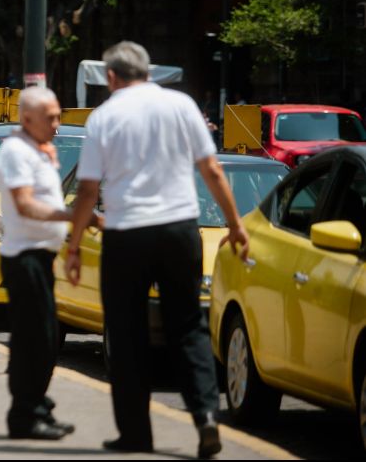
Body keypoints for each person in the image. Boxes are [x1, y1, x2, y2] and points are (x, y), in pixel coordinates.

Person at [64, 41, 249, 458]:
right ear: (148, 72)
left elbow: (89, 189)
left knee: (127, 334)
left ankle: (135, 433)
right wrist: (235, 224)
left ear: (111, 77)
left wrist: (74, 246)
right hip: (179, 229)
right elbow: (212, 168)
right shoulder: (182, 106)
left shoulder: (104, 116)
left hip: (127, 234)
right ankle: (204, 418)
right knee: (188, 327)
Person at [0, 86, 100, 441]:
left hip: (41, 257)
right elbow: (25, 205)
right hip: (23, 259)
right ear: (27, 119)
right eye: (51, 117)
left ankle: (36, 406)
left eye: (59, 116)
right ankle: (25, 415)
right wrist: (75, 215)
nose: (57, 124)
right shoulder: (15, 152)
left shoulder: (38, 150)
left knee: (44, 337)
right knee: (35, 339)